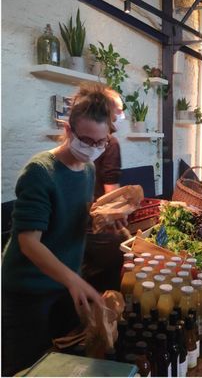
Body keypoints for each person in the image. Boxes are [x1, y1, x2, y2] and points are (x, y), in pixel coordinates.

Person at [1, 84, 126, 376]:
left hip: (63, 283)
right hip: (28, 290)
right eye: (85, 140)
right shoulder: (40, 172)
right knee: (26, 366)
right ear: (68, 131)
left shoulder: (88, 169)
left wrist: (106, 218)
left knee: (62, 361)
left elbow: (76, 217)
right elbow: (29, 243)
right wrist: (73, 279)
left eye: (100, 143)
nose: (93, 149)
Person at [80, 84, 128, 293]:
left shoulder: (86, 157)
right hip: (94, 226)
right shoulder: (110, 143)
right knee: (120, 253)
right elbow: (111, 190)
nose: (119, 116)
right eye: (117, 111)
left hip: (82, 224)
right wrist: (117, 215)